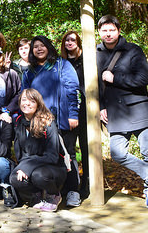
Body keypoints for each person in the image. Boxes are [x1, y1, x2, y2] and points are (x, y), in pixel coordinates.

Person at [97, 15, 148, 208]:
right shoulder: (96, 54)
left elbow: (142, 79)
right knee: (117, 153)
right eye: (104, 30)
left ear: (118, 31)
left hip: (138, 109)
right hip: (115, 113)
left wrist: (115, 78)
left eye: (111, 30)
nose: (108, 34)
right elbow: (94, 85)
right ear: (99, 32)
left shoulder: (133, 50)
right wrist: (100, 106)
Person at [22, 35, 80, 207]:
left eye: (42, 46)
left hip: (62, 119)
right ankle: (53, 192)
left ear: (49, 47)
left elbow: (73, 89)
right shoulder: (29, 72)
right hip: (40, 123)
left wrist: (73, 114)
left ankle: (73, 191)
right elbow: (24, 97)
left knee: (68, 154)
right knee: (46, 156)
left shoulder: (62, 65)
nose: (39, 49)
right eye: (35, 47)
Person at [9, 88, 67, 211]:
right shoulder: (19, 122)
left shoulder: (48, 122)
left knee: (38, 175)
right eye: (24, 100)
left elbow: (52, 156)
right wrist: (23, 167)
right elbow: (21, 154)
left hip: (53, 167)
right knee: (14, 178)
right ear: (19, 102)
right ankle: (37, 194)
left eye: (32, 101)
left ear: (38, 104)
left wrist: (27, 167)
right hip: (30, 164)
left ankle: (54, 194)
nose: (27, 103)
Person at [60, 30, 89, 198]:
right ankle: (71, 185)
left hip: (85, 109)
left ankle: (87, 184)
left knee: (86, 148)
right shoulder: (61, 63)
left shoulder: (86, 61)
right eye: (66, 40)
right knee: (69, 149)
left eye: (72, 40)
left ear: (78, 42)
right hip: (68, 112)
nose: (69, 43)